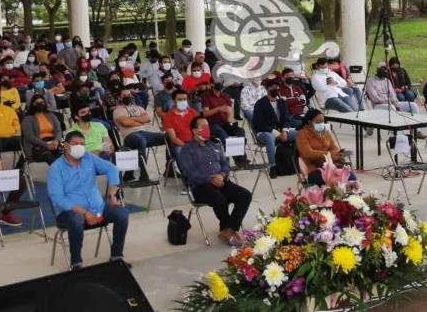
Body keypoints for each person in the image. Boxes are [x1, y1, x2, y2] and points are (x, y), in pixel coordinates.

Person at [47, 131, 129, 270]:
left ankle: (116, 257)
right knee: (76, 219)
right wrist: (85, 213)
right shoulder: (55, 168)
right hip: (70, 213)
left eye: (82, 144)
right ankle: (76, 263)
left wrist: (111, 196)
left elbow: (112, 168)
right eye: (76, 144)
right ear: (66, 146)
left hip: (98, 210)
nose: (80, 147)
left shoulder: (89, 157)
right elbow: (58, 198)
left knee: (122, 214)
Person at [177, 116, 252, 246]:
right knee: (220, 199)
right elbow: (188, 172)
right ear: (195, 131)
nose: (207, 129)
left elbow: (225, 165)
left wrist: (222, 175)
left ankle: (229, 229)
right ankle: (227, 229)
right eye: (203, 126)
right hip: (201, 186)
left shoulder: (215, 145)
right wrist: (210, 178)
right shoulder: (187, 149)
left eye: (208, 126)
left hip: (221, 181)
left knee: (245, 195)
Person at [112, 88, 165, 181]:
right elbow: (125, 123)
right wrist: (140, 121)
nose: (127, 97)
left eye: (128, 95)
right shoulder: (118, 110)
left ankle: (171, 169)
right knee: (141, 141)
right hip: (129, 136)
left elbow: (147, 118)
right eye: (124, 96)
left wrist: (132, 119)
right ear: (119, 98)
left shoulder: (138, 107)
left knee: (167, 137)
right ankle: (144, 174)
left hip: (144, 133)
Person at [295, 109, 356, 186]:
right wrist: (329, 154)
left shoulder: (325, 132)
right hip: (313, 169)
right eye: (318, 122)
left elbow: (335, 149)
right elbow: (308, 153)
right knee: (337, 182)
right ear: (309, 122)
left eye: (322, 121)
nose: (321, 124)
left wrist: (332, 154)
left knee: (352, 179)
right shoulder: (302, 134)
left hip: (331, 165)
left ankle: (352, 197)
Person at [252, 79, 298, 177]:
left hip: (281, 131)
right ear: (267, 89)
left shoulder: (281, 102)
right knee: (270, 137)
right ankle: (273, 166)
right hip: (264, 132)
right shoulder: (260, 103)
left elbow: (286, 118)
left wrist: (285, 131)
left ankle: (296, 161)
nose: (275, 88)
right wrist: (277, 134)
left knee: (299, 134)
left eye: (277, 86)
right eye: (272, 86)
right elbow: (259, 124)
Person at [20, 97, 63, 165]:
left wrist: (56, 141)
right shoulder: (27, 119)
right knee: (48, 156)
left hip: (54, 143)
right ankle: (59, 173)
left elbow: (58, 130)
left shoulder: (51, 116)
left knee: (64, 154)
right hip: (37, 147)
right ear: (32, 105)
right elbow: (30, 137)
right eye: (37, 103)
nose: (40, 104)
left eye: (42, 102)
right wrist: (46, 145)